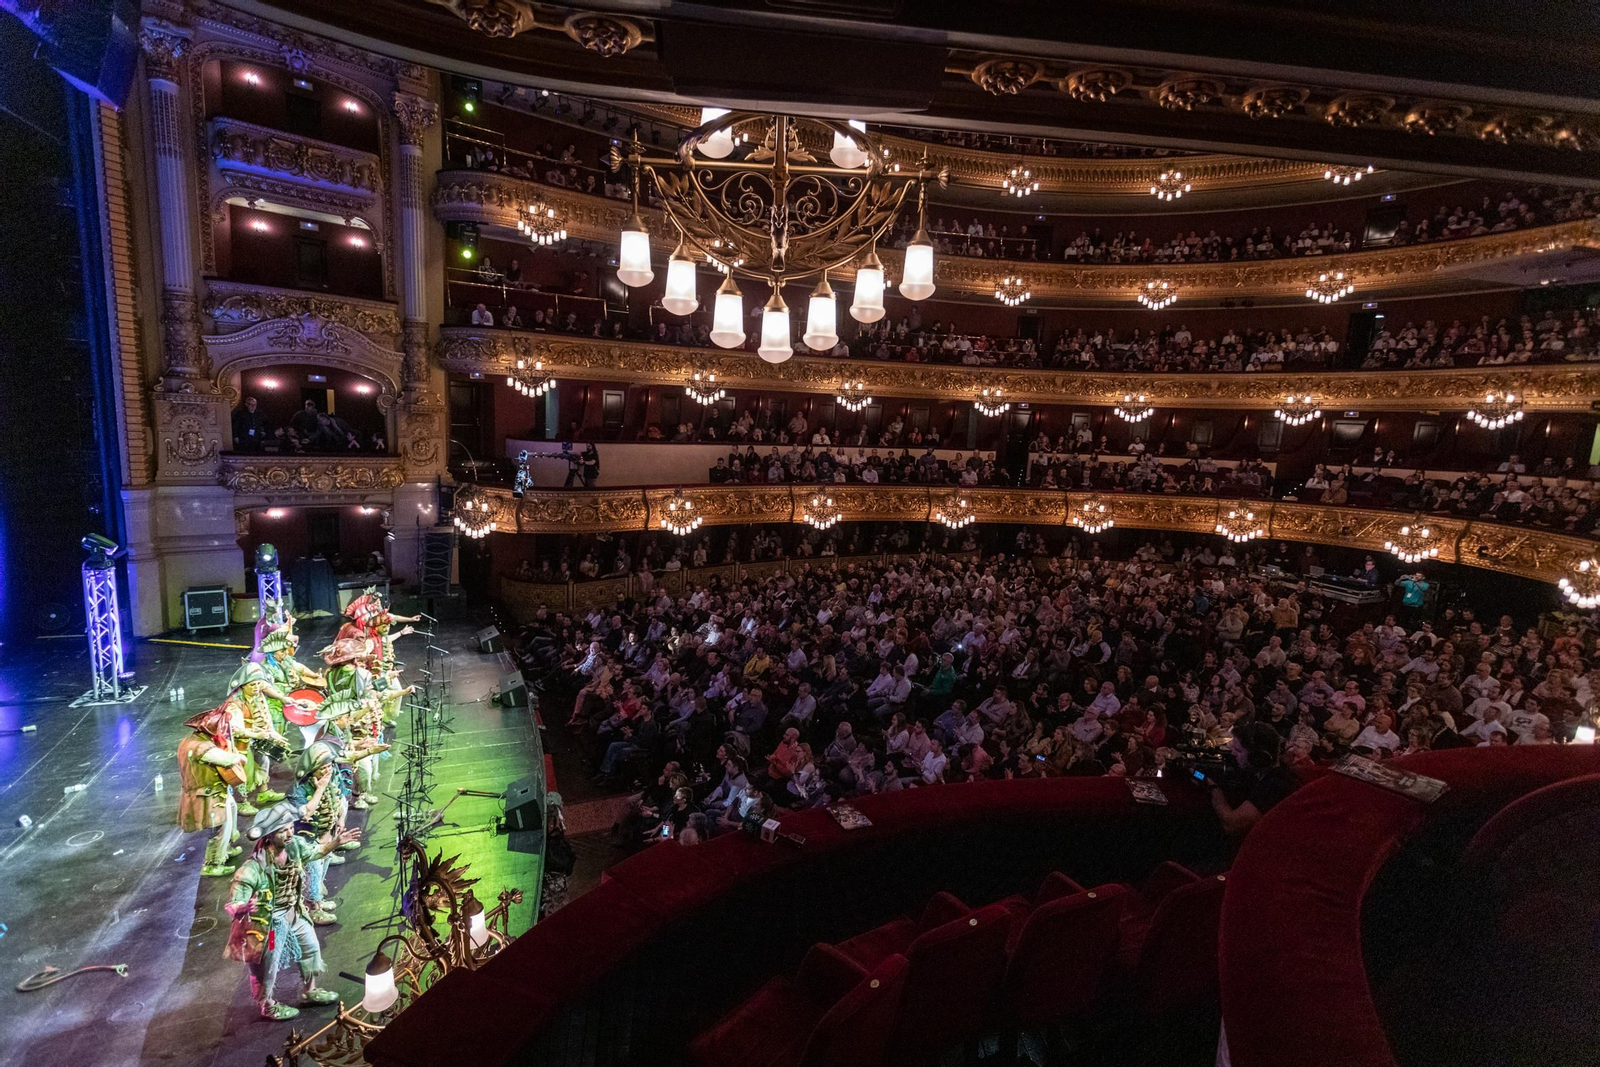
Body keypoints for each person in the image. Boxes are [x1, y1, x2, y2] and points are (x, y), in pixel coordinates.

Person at [225, 801, 361, 1020]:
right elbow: (233, 903)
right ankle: (267, 1004)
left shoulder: (295, 846)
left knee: (310, 948)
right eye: (283, 831)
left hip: (294, 911)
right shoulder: (253, 867)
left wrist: (336, 842)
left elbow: (316, 851)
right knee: (267, 965)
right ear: (269, 835)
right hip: (270, 921)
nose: (289, 834)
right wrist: (244, 907)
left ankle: (310, 991)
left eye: (290, 828)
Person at [177, 705, 249, 877]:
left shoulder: (192, 741)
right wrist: (239, 757)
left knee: (230, 817)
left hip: (216, 791)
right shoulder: (202, 747)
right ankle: (213, 863)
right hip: (208, 795)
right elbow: (227, 759)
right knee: (218, 829)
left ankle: (225, 850)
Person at [1207, 722, 1301, 838]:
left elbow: (1231, 824)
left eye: (1238, 750)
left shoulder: (1277, 785)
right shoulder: (1257, 771)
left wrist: (1213, 787)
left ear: (1258, 757)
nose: (1233, 753)